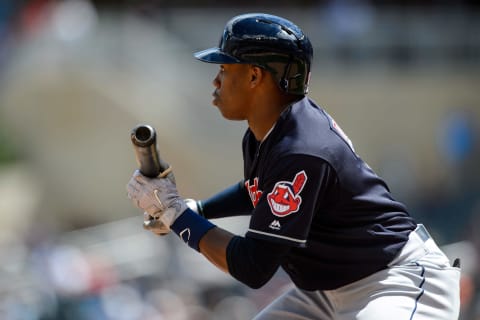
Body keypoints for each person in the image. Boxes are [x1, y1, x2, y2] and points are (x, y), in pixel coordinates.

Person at [127, 13, 461, 320]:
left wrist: (177, 215)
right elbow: (260, 192)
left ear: (255, 75)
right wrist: (200, 209)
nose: (216, 81)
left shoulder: (303, 149)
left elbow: (253, 267)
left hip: (393, 281)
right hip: (325, 291)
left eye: (225, 70)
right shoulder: (270, 128)